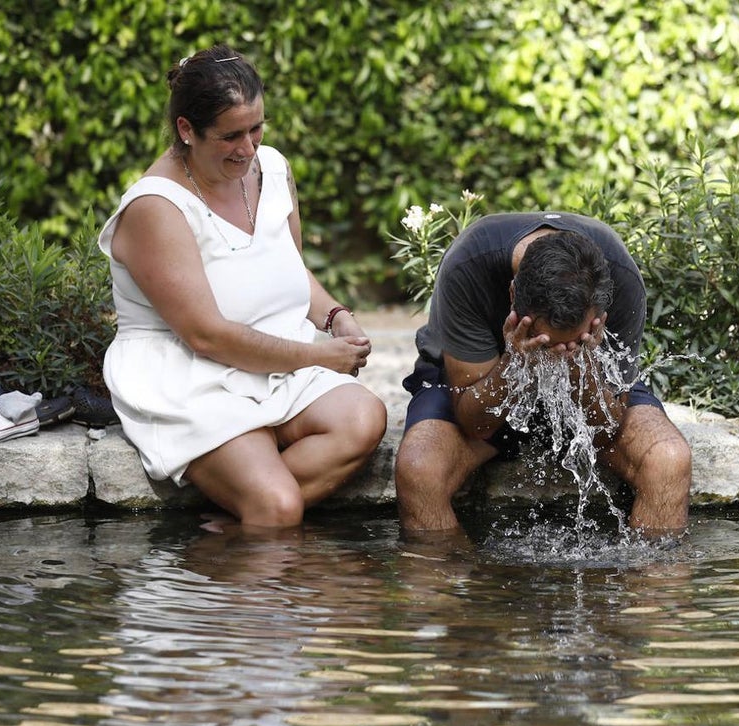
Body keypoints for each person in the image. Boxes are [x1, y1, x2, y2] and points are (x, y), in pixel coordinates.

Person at [98, 44, 386, 529]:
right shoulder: (156, 206)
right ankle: (254, 519)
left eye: (256, 129)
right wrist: (320, 357)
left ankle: (234, 522)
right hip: (193, 374)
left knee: (364, 419)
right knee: (280, 508)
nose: (248, 149)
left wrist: (336, 317)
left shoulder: (271, 168)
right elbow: (206, 335)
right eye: (231, 136)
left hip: (275, 361)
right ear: (187, 130)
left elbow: (290, 268)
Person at [395, 212, 691, 539]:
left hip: (591, 384)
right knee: (419, 470)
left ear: (598, 315)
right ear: (512, 296)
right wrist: (514, 364)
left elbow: (604, 431)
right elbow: (475, 425)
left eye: (573, 342)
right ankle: (473, 586)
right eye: (545, 341)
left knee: (668, 460)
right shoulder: (469, 266)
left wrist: (583, 367)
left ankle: (651, 585)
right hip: (484, 381)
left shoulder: (618, 276)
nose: (557, 352)